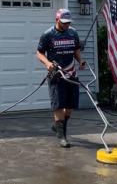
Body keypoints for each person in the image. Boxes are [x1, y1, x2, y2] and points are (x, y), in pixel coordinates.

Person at [36, 8, 85, 148]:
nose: (67, 25)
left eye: (68, 22)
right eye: (64, 22)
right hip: (56, 74)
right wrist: (47, 63)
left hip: (71, 74)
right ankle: (62, 136)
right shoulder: (48, 34)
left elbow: (76, 49)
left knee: (70, 106)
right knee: (59, 105)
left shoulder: (73, 33)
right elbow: (39, 53)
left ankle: (57, 126)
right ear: (57, 20)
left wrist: (80, 60)